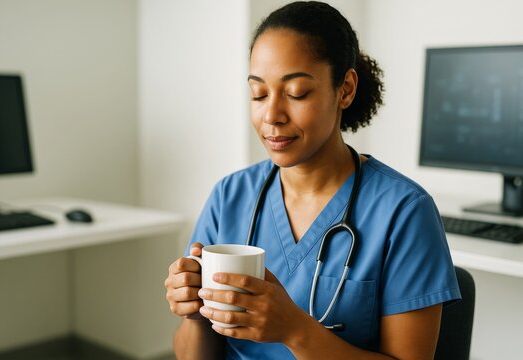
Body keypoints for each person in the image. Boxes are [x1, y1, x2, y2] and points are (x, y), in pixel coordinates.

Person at [164, 1, 461, 359]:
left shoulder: (402, 211)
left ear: (345, 89)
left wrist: (295, 331)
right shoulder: (230, 196)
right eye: (258, 94)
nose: (271, 115)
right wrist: (194, 316)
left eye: (296, 93)